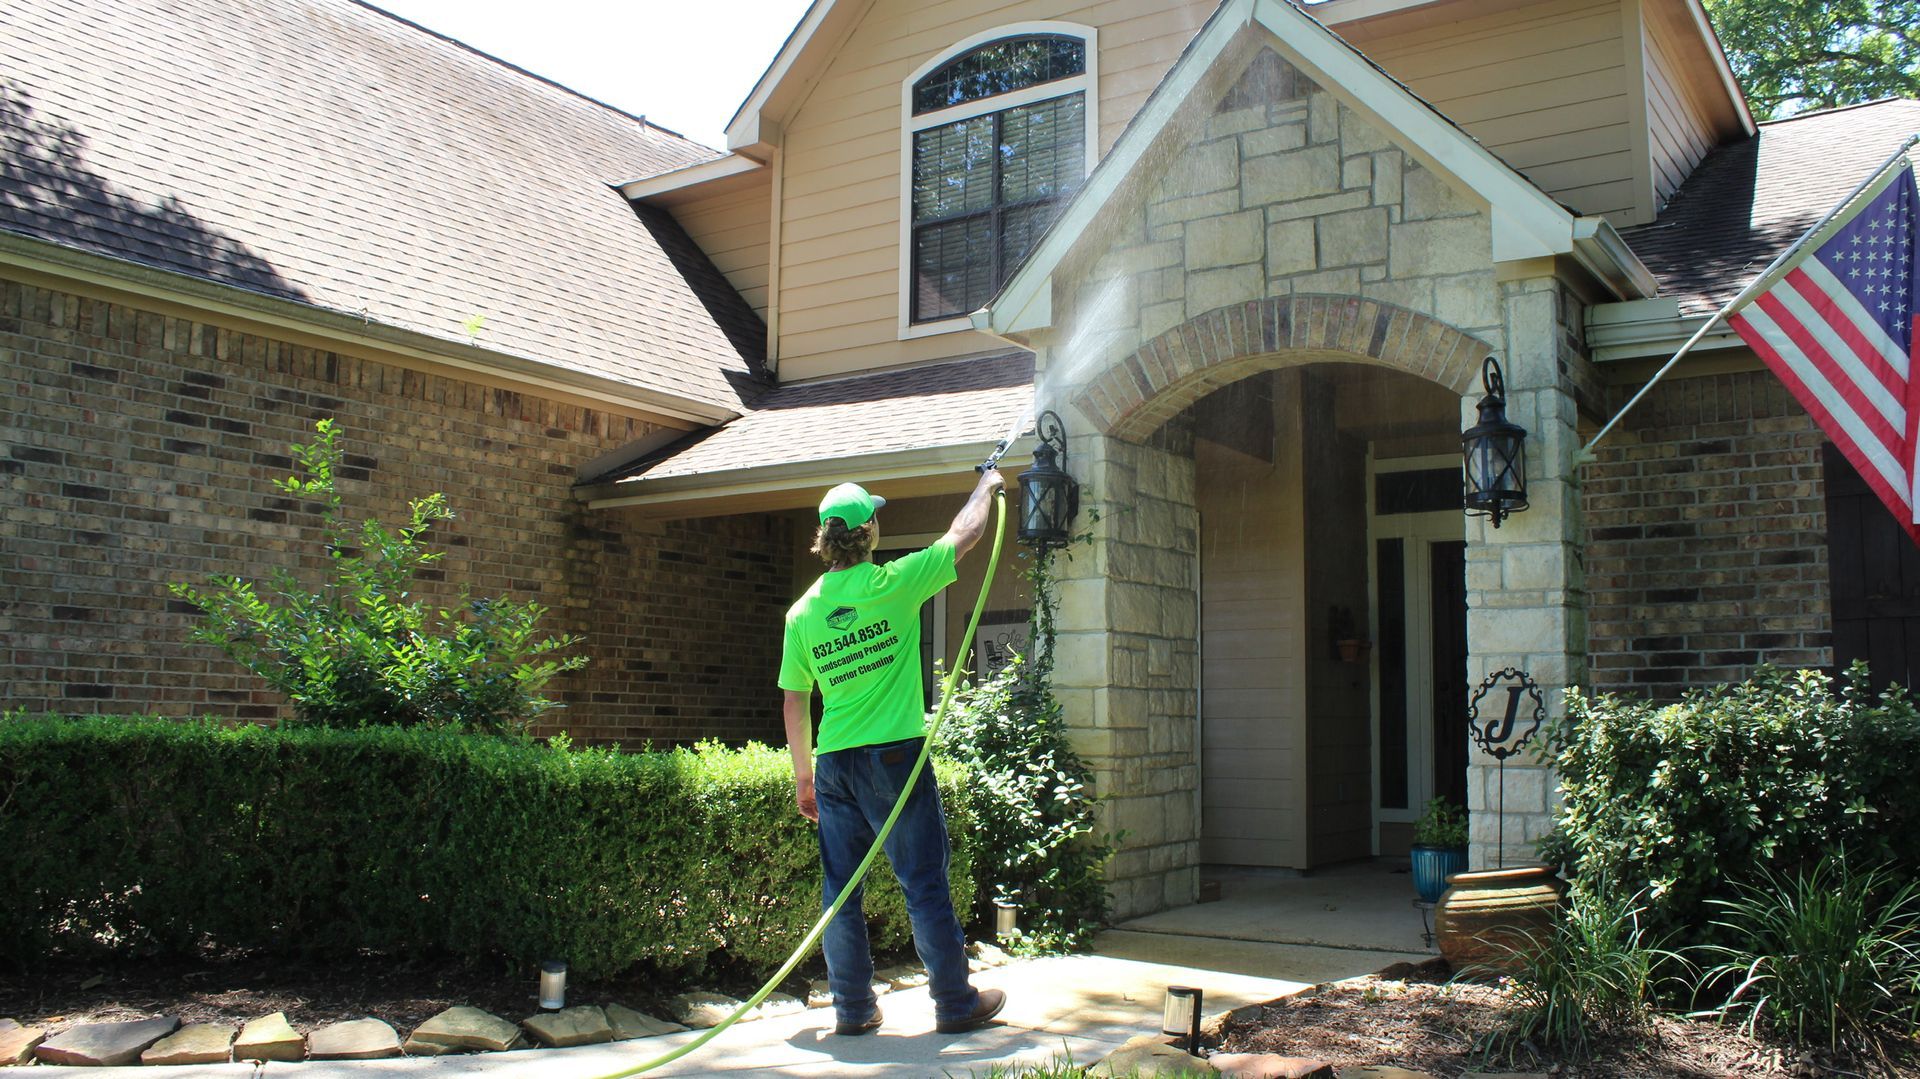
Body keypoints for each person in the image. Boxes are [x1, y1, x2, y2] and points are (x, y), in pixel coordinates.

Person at [778, 471, 1008, 1037]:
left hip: (835, 764)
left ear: (824, 537)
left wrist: (803, 779)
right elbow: (965, 534)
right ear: (870, 531)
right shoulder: (896, 584)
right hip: (894, 760)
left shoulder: (802, 613)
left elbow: (794, 702)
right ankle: (954, 1003)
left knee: (841, 893)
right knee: (922, 881)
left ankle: (853, 1012)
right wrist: (988, 486)